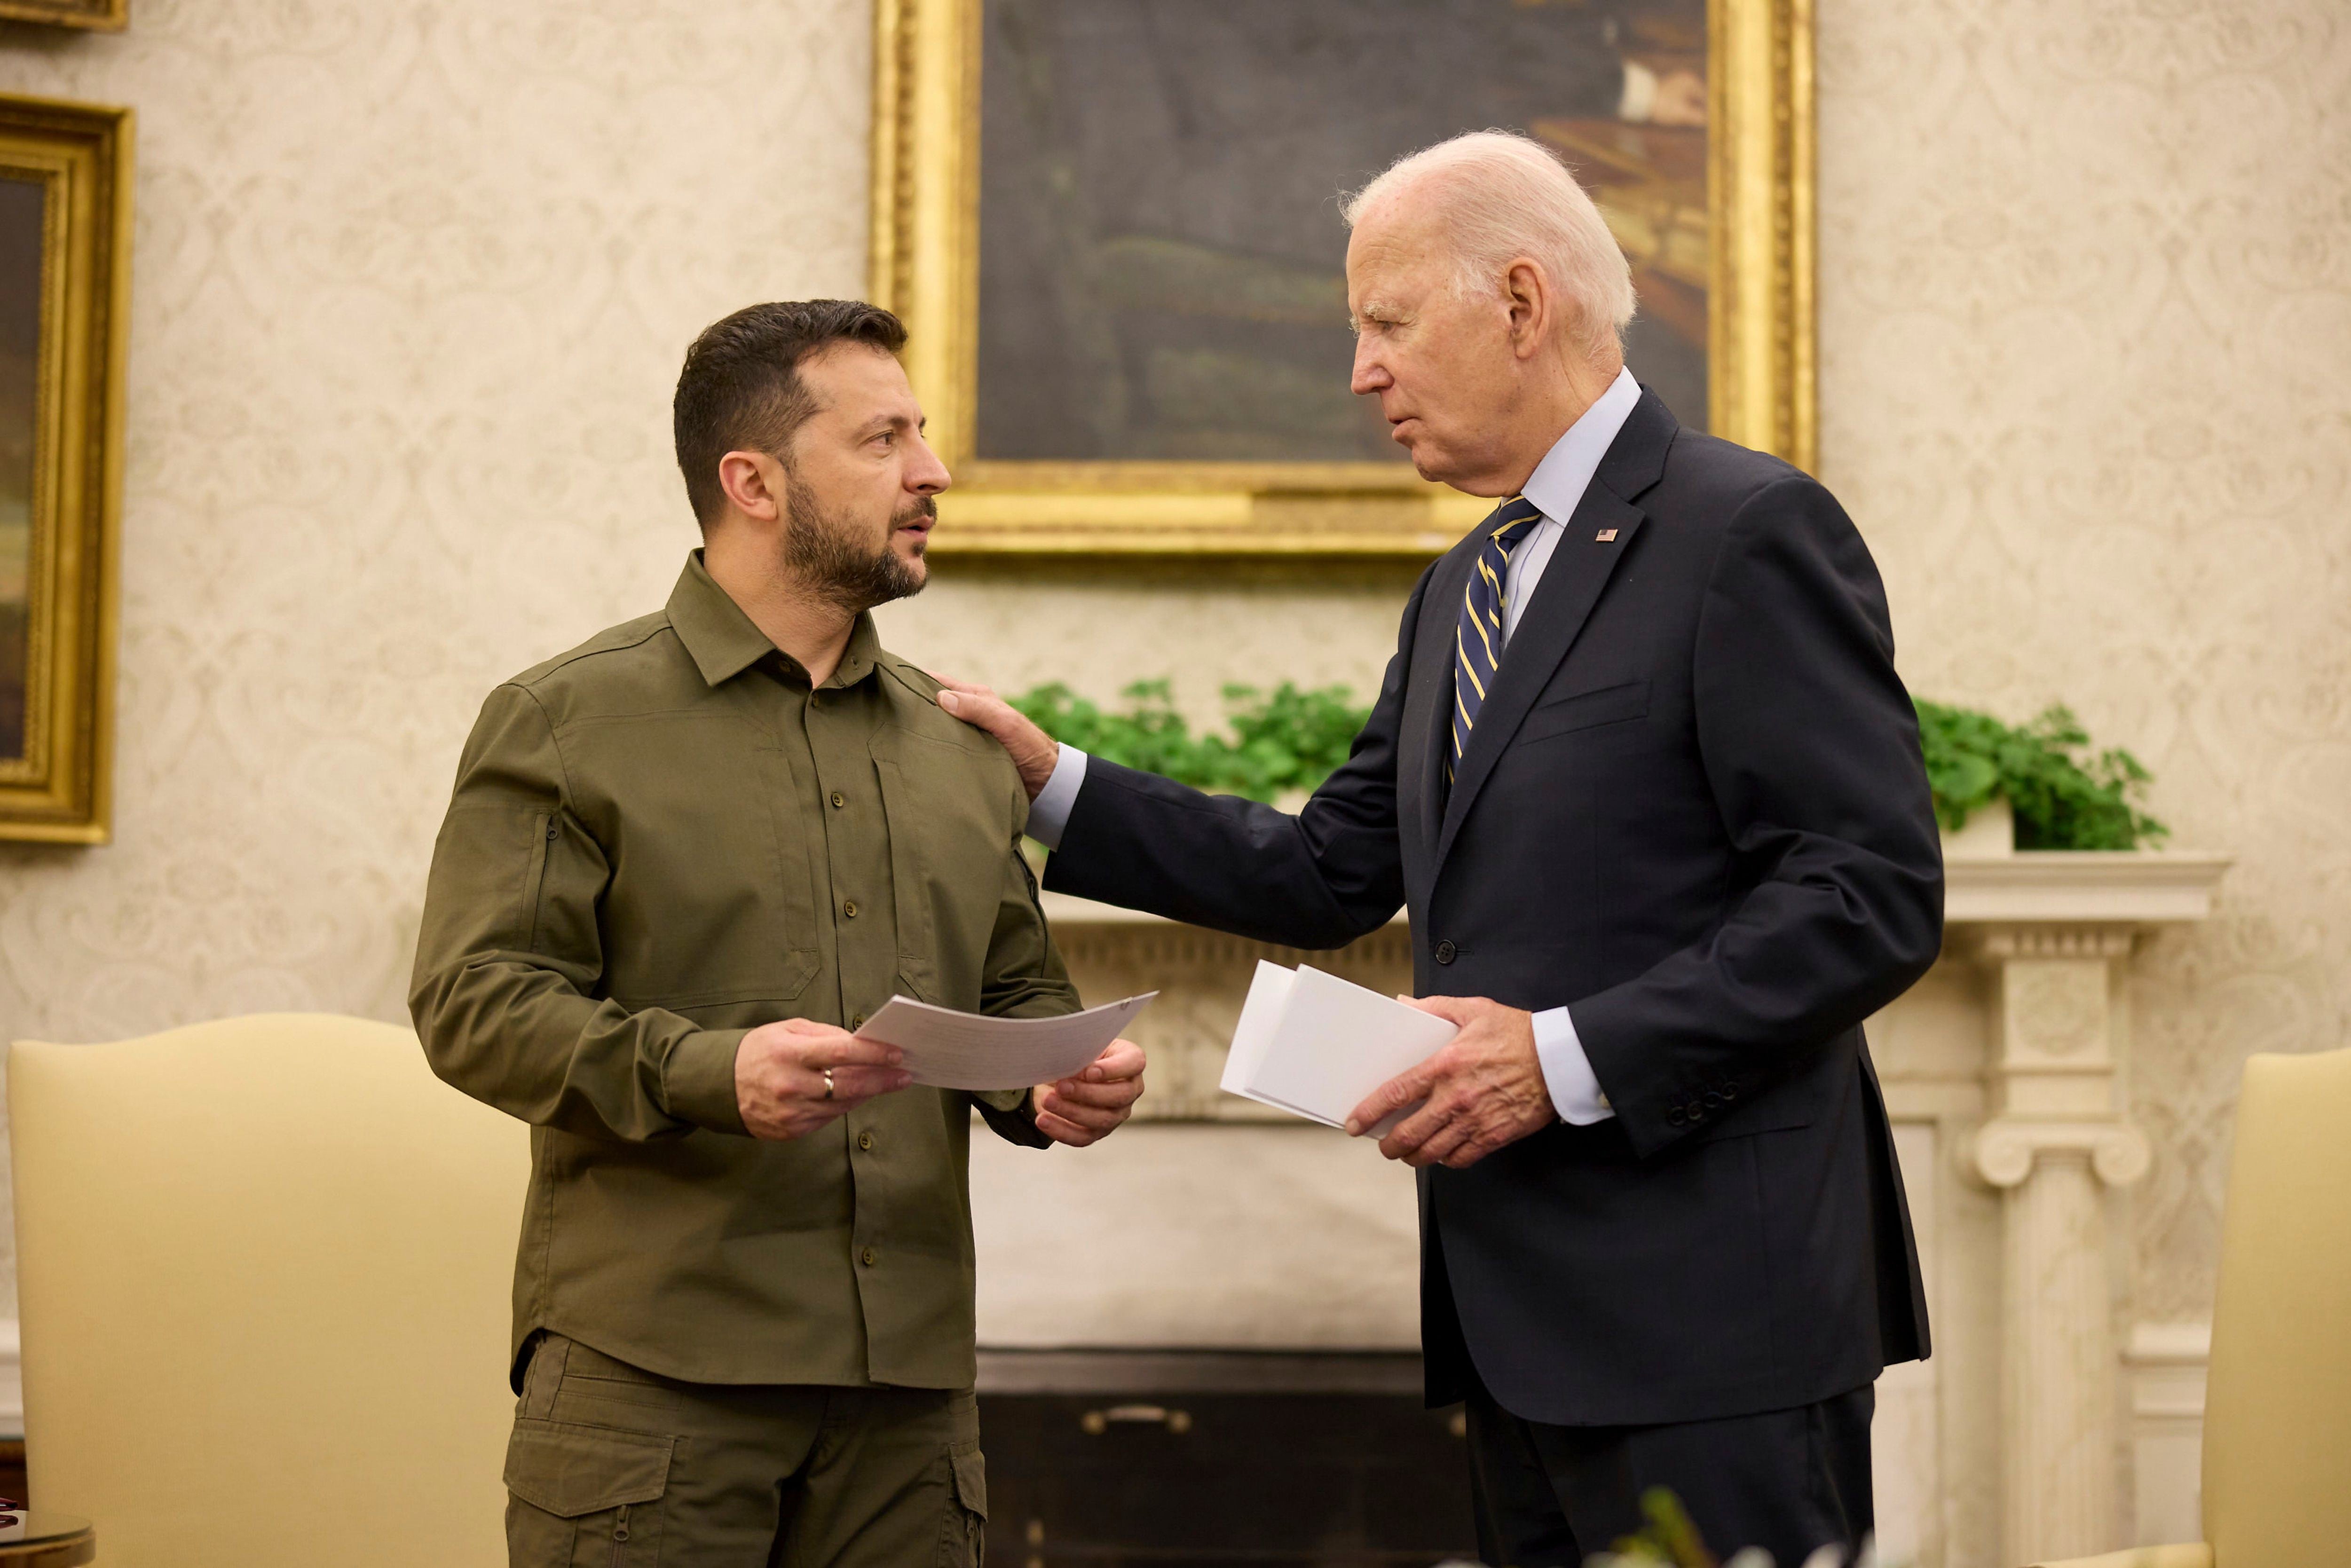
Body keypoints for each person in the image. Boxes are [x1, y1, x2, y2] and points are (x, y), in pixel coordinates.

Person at [937, 133, 1942, 1568]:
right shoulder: (1463, 584)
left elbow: (1869, 896)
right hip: (1515, 1331)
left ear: (1521, 305)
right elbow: (1331, 873)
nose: (1360, 371)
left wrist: (1560, 1056)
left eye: (1386, 323)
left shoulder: (1747, 530)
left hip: (1717, 1329)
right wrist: (1054, 786)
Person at [410, 299, 1146, 1567]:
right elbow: (476, 1004)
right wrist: (712, 1071)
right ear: (751, 481)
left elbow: (1019, 998)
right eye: (884, 441)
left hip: (912, 1416)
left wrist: (1063, 1081)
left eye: (922, 436)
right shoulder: (564, 720)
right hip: (655, 1391)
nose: (934, 472)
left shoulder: (964, 748)